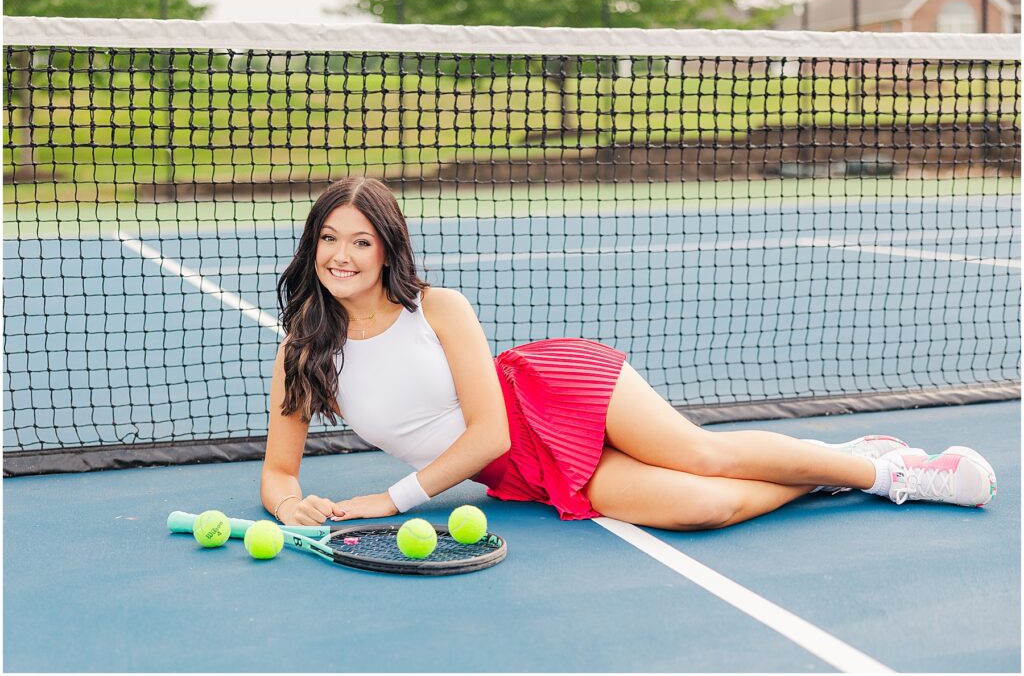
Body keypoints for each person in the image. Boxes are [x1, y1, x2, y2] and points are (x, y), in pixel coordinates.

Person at [260, 177, 998, 530]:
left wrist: (388, 501)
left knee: (703, 456)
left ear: (387, 246)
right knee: (706, 508)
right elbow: (279, 471)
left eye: (361, 239)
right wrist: (293, 507)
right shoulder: (303, 351)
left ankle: (893, 472)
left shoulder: (438, 308)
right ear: (312, 245)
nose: (342, 255)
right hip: (521, 468)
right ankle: (832, 465)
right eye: (329, 238)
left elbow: (488, 429)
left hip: (553, 393)